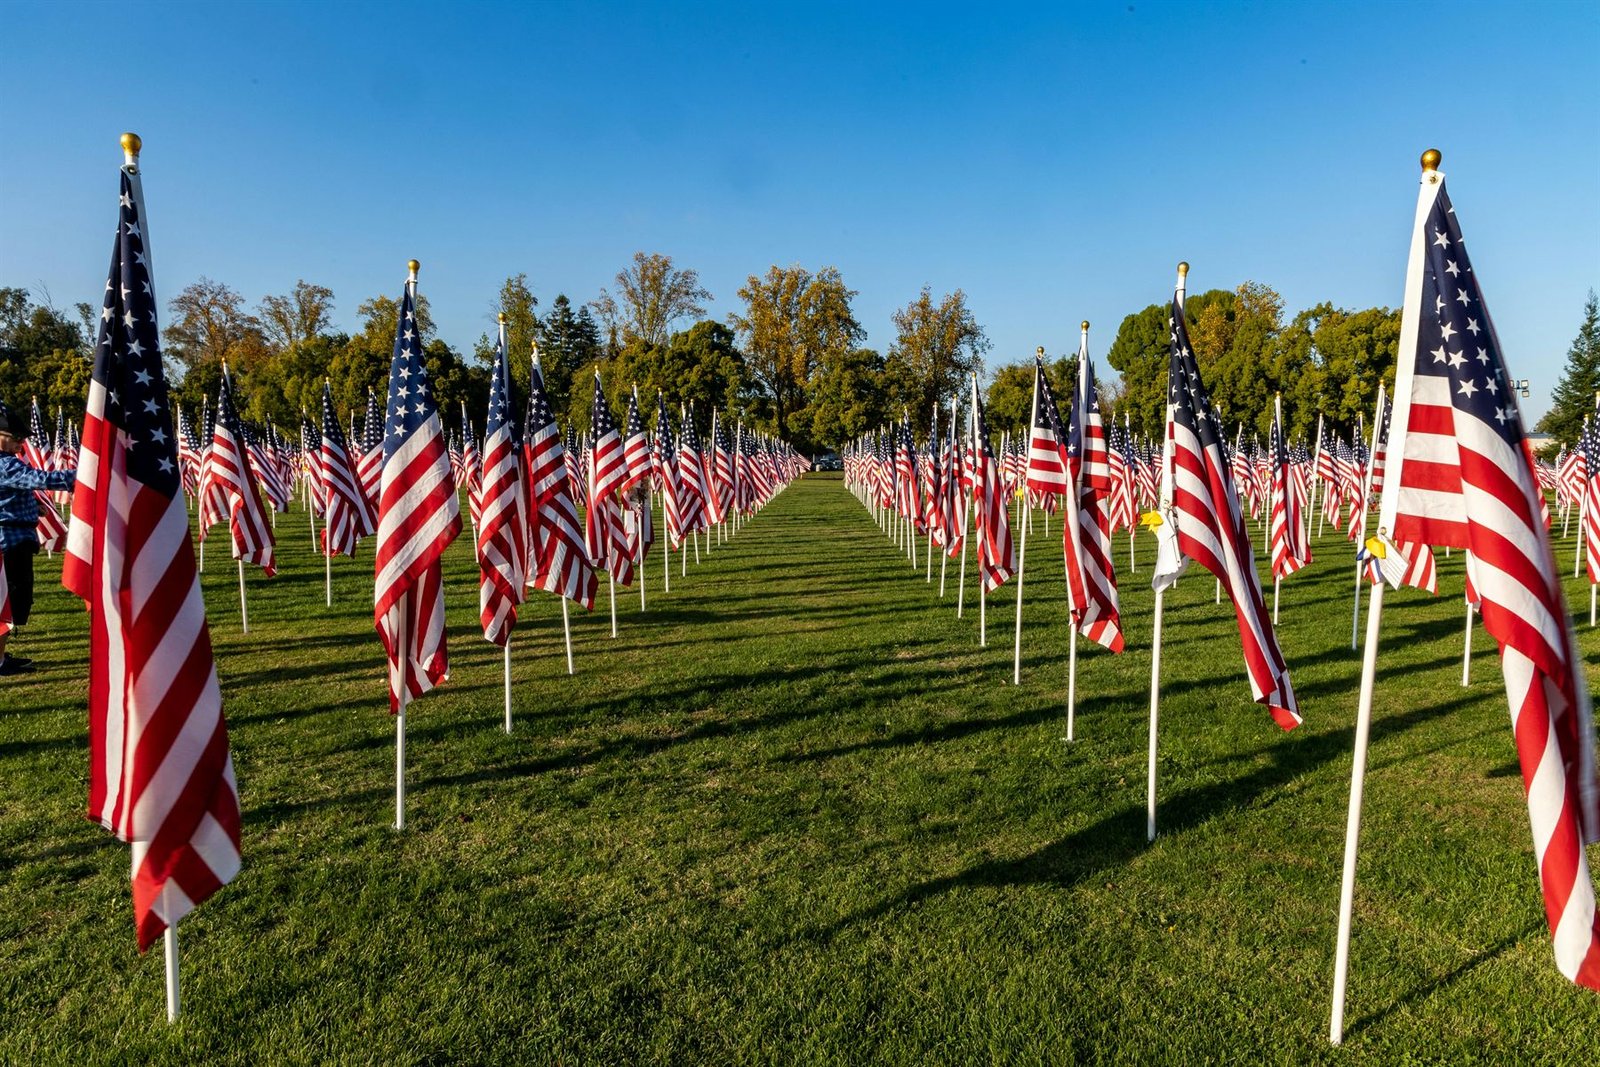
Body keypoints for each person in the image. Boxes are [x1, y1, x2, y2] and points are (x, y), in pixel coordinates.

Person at [0, 400, 76, 675]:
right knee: (9, 602)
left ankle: (1, 656)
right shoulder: (5, 465)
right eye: (15, 438)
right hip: (8, 542)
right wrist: (87, 474)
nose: (21, 443)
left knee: (13, 602)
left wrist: (36, 507)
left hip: (14, 538)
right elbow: (40, 479)